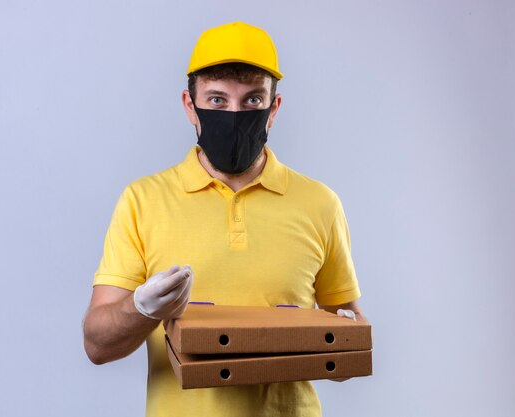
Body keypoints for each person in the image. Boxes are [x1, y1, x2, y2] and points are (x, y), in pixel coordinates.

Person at [83, 21, 367, 417]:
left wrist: (340, 337)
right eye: (217, 100)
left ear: (274, 108)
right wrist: (142, 309)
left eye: (252, 101)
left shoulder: (320, 203)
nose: (234, 114)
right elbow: (97, 346)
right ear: (189, 105)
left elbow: (347, 352)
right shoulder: (142, 201)